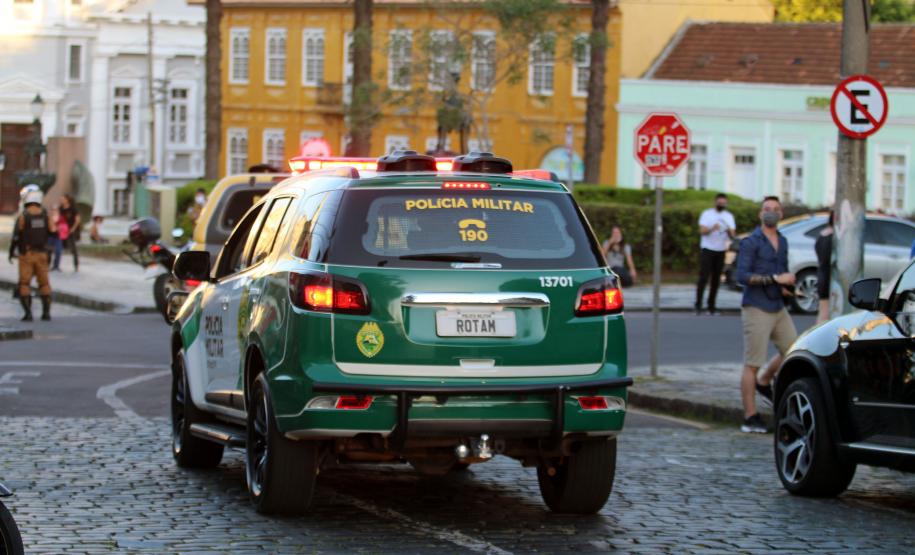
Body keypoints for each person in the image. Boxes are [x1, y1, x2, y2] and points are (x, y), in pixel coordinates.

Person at [735, 196, 797, 433]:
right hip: (756, 307)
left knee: (793, 350)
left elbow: (780, 272)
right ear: (760, 214)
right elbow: (742, 277)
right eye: (766, 209)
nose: (771, 213)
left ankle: (764, 382)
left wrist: (786, 287)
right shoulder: (751, 242)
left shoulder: (783, 240)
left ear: (781, 214)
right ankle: (750, 417)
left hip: (778, 305)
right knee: (752, 362)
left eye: (775, 209)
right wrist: (774, 279)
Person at [8, 188, 54, 321]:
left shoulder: (24, 216)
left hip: (26, 254)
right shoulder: (45, 216)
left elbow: (16, 236)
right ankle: (46, 313)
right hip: (42, 254)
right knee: (44, 283)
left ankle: (28, 313)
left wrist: (11, 252)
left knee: (24, 283)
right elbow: (53, 231)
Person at [695, 193, 736, 315]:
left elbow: (733, 235)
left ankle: (711, 305)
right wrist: (712, 228)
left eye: (724, 203)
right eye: (719, 203)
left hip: (720, 250)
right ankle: (698, 305)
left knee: (716, 279)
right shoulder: (707, 214)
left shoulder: (728, 216)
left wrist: (728, 230)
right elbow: (702, 231)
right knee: (703, 277)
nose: (721, 205)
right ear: (715, 202)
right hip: (707, 249)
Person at [815, 211, 834, 324]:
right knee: (824, 315)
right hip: (828, 278)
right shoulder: (833, 237)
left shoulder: (822, 234)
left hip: (822, 274)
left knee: (823, 312)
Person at [58, 194, 80, 272]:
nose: (62, 200)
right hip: (62, 230)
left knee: (73, 248)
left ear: (67, 200)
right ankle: (55, 265)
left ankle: (76, 264)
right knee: (57, 247)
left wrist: (73, 229)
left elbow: (77, 220)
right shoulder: (60, 208)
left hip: (71, 230)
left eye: (63, 199)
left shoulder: (73, 209)